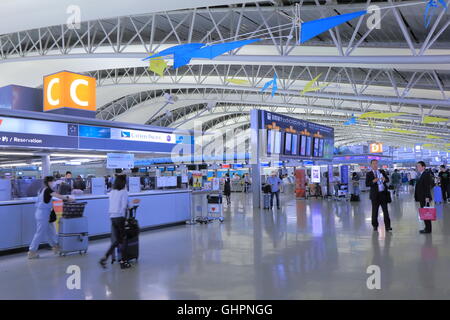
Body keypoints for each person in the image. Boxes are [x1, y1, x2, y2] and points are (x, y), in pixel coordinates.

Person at [27, 176, 73, 259]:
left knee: (50, 231)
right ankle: (32, 251)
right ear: (49, 182)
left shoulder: (42, 189)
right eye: (53, 181)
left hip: (42, 213)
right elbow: (57, 196)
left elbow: (49, 198)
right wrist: (67, 198)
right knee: (40, 233)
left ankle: (55, 246)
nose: (54, 183)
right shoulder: (48, 190)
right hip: (43, 214)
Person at [99, 175, 132, 269]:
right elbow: (124, 206)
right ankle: (123, 262)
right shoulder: (124, 191)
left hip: (112, 217)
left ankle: (105, 258)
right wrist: (125, 218)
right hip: (120, 217)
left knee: (117, 240)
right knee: (123, 240)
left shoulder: (112, 191)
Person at [365, 159, 392, 232]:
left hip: (383, 194)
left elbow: (387, 180)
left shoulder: (382, 171)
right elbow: (367, 184)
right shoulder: (369, 174)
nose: (375, 165)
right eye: (373, 164)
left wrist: (384, 179)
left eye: (376, 163)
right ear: (371, 165)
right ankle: (375, 226)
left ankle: (388, 226)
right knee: (375, 212)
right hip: (375, 195)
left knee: (385, 211)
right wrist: (373, 181)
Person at [415, 161, 434, 234]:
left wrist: (427, 197)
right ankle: (427, 227)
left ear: (423, 167)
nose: (418, 167)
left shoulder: (426, 174)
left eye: (419, 166)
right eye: (417, 166)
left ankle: (428, 229)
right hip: (421, 196)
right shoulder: (421, 174)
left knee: (426, 212)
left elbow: (427, 186)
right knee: (424, 212)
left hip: (424, 197)